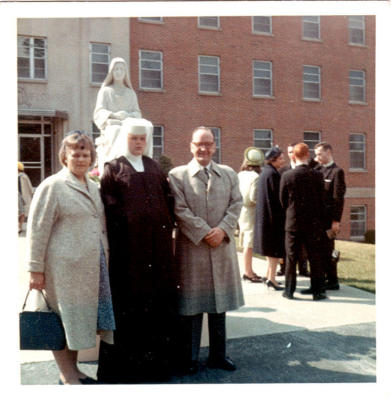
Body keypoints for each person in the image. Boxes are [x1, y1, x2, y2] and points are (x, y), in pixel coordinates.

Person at [26, 131, 115, 384]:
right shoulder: (53, 186)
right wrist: (35, 269)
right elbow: (37, 228)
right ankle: (67, 375)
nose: (81, 158)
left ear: (92, 158)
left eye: (86, 154)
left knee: (77, 320)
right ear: (65, 156)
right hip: (62, 269)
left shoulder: (93, 186)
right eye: (75, 153)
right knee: (62, 320)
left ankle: (74, 369)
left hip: (89, 269)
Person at [96, 119, 176, 384]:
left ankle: (156, 366)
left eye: (142, 138)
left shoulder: (154, 167)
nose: (138, 143)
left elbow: (168, 203)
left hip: (158, 252)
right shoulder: (114, 167)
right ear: (125, 138)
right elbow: (109, 209)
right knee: (129, 307)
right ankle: (126, 369)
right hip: (129, 254)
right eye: (134, 138)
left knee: (156, 306)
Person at [168, 126, 244, 374]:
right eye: (199, 144)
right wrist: (204, 232)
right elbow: (179, 210)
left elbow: (236, 203)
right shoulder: (177, 176)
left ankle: (218, 356)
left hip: (221, 247)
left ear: (215, 146)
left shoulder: (229, 174)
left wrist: (222, 230)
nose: (204, 149)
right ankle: (188, 359)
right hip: (193, 248)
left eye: (208, 144)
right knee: (192, 306)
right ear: (190, 146)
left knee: (218, 305)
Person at [279, 143, 327, 301]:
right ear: (308, 155)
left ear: (293, 156)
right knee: (315, 256)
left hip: (293, 222)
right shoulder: (318, 175)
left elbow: (282, 200)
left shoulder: (287, 176)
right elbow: (322, 200)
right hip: (313, 223)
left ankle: (289, 290)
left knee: (291, 257)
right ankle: (318, 291)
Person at [93, 57, 153, 174]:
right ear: (111, 72)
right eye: (116, 69)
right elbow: (99, 112)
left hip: (129, 123)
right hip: (112, 124)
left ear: (125, 72)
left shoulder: (130, 93)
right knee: (116, 130)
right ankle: (116, 166)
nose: (119, 72)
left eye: (121, 69)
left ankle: (145, 161)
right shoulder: (105, 91)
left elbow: (137, 113)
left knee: (147, 126)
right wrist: (113, 115)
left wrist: (127, 115)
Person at [313, 142, 346, 290]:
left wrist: (336, 221)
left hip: (328, 220)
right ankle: (322, 279)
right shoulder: (316, 169)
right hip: (316, 219)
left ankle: (333, 280)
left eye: (319, 154)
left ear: (329, 152)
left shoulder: (337, 172)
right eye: (316, 154)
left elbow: (338, 199)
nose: (317, 157)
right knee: (317, 251)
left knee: (328, 250)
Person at [253, 146, 286, 291]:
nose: (283, 160)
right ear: (273, 160)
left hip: (264, 216)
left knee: (270, 249)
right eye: (281, 158)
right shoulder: (273, 175)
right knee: (274, 250)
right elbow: (279, 198)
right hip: (273, 218)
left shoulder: (265, 173)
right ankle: (272, 279)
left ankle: (268, 275)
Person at [278, 143, 309, 277]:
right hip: (288, 216)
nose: (291, 155)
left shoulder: (310, 171)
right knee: (288, 247)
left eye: (293, 152)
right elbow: (281, 197)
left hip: (305, 216)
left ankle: (303, 268)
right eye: (289, 152)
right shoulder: (283, 172)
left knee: (303, 246)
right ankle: (283, 267)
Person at [238, 147, 264, 283]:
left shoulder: (240, 175)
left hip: (242, 210)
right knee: (249, 242)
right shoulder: (256, 177)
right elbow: (254, 197)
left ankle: (249, 270)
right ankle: (248, 272)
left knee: (245, 241)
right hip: (251, 211)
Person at [18, 162, 34, 230]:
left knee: (22, 212)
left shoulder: (23, 176)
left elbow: (29, 187)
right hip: (19, 196)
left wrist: (32, 194)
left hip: (21, 197)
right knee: (21, 212)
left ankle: (19, 227)